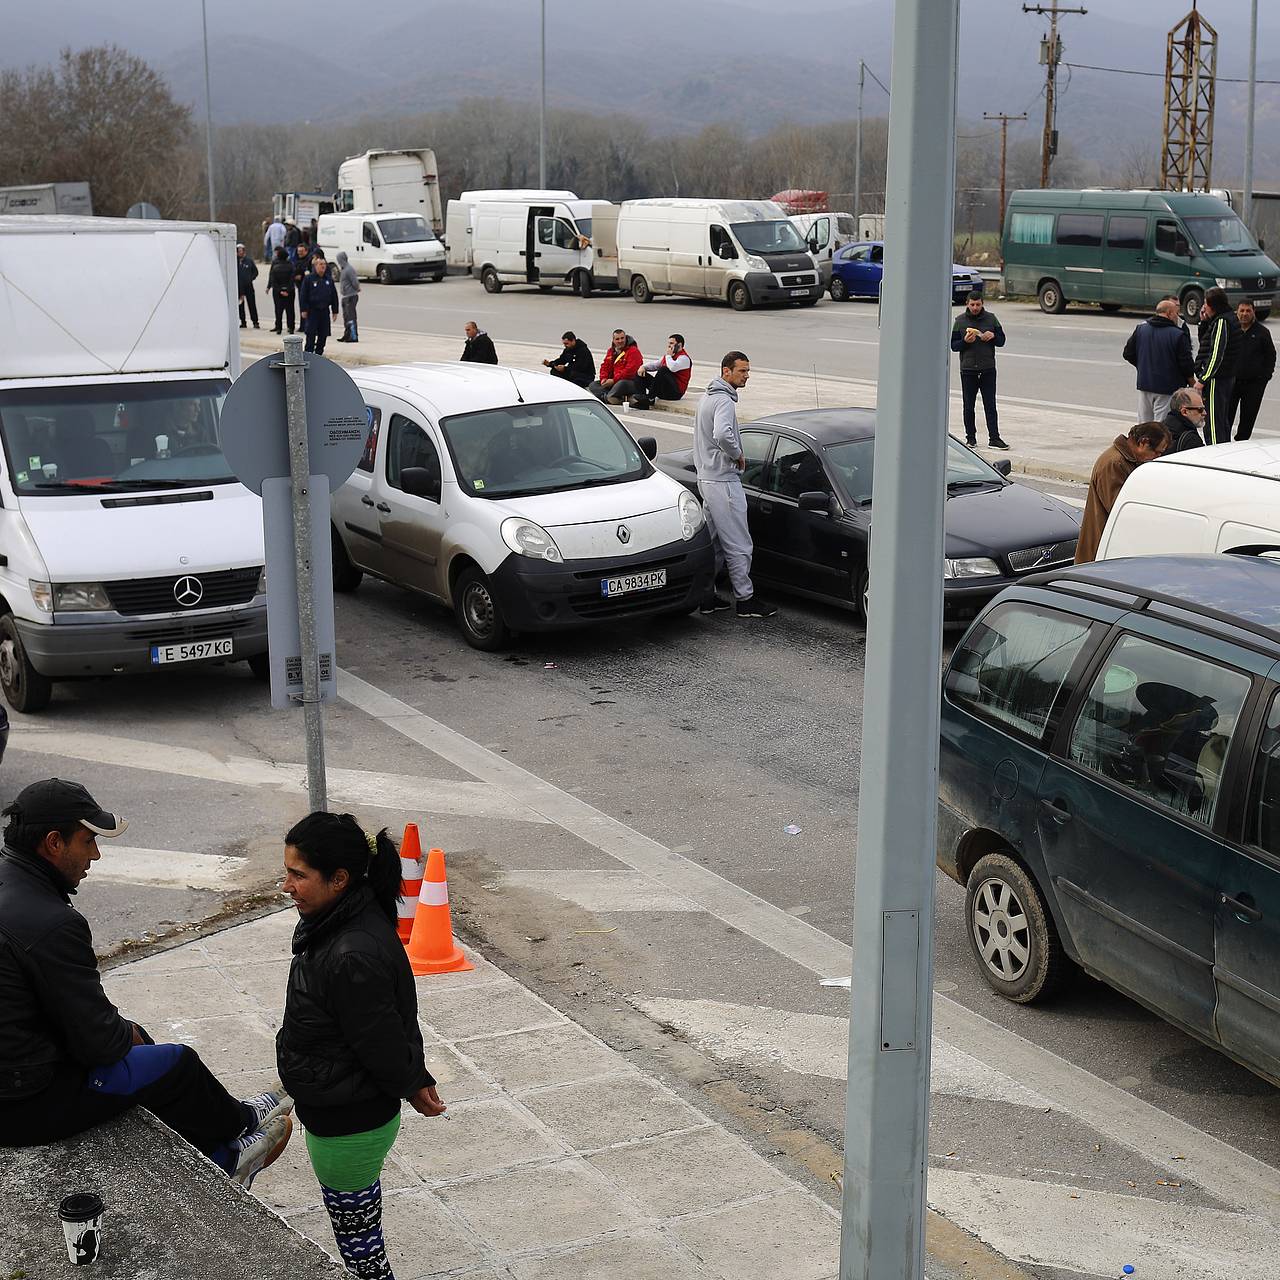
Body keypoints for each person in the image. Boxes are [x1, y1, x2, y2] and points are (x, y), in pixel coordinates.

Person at [0, 779, 293, 1184]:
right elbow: (99, 1043)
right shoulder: (51, 922)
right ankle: (232, 1144)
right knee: (176, 1063)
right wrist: (125, 1036)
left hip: (14, 1070)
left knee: (138, 1044)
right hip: (24, 1103)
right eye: (88, 841)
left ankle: (221, 1130)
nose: (96, 855)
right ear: (54, 843)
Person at [277, 812, 446, 1280]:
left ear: (339, 879)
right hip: (344, 1108)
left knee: (361, 1252)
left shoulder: (352, 950)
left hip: (347, 1123)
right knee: (361, 1229)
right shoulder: (349, 922)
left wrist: (413, 1080)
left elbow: (381, 1037)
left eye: (298, 875)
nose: (287, 885)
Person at [694, 352, 776, 619]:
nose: (746, 375)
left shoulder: (705, 397)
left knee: (714, 543)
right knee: (740, 543)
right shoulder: (724, 401)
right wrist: (737, 454)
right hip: (723, 481)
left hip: (706, 478)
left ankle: (706, 596)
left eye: (747, 371)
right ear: (726, 372)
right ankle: (746, 599)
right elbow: (721, 434)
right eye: (742, 371)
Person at [1075, 421, 1172, 563]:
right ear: (1143, 442)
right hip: (1102, 548)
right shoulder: (1115, 463)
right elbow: (1120, 509)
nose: (1157, 457)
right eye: (1156, 452)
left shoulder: (1127, 460)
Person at [951, 290, 1009, 450]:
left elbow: (1002, 341)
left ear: (982, 304)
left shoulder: (991, 319)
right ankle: (970, 438)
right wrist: (964, 341)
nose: (975, 307)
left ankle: (994, 438)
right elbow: (953, 346)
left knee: (990, 405)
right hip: (968, 370)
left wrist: (993, 337)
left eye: (978, 304)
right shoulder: (960, 321)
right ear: (967, 304)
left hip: (988, 369)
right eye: (972, 305)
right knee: (968, 406)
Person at [1122, 296, 1193, 422]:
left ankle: (1142, 442)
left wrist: (1143, 366)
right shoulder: (1178, 335)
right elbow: (1186, 364)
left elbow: (1128, 353)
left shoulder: (1141, 329)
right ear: (1169, 313)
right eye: (1176, 313)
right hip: (1168, 388)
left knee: (1144, 424)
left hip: (1145, 384)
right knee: (1162, 426)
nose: (1178, 317)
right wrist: (1191, 382)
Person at [1194, 286, 1241, 445]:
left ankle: (1214, 455)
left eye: (1206, 304)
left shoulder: (1222, 321)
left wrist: (1203, 379)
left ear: (1213, 305)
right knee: (1221, 421)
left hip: (1216, 380)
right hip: (1223, 378)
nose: (1204, 307)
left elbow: (1216, 354)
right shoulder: (1221, 319)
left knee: (1213, 423)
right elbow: (1206, 343)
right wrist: (1204, 321)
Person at [1229, 300, 1275, 441]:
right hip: (1232, 382)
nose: (1244, 314)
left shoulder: (1262, 332)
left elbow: (1271, 356)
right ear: (1237, 311)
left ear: (1253, 312)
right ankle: (1222, 442)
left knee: (1248, 418)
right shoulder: (1231, 329)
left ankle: (1241, 443)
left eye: (1248, 311)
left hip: (1254, 385)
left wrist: (1265, 377)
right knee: (1226, 416)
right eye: (1242, 310)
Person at [624, 334, 693, 409]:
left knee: (663, 370)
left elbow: (672, 367)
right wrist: (643, 367)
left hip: (675, 393)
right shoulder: (669, 356)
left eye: (671, 343)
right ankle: (642, 401)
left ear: (679, 345)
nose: (669, 346)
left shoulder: (684, 358)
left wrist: (668, 356)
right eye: (668, 343)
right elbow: (655, 365)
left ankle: (650, 398)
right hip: (663, 390)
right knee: (640, 372)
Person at [588, 329, 643, 402]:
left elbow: (629, 372)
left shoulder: (633, 351)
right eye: (617, 339)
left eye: (622, 338)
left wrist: (614, 380)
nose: (620, 341)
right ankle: (610, 397)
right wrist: (603, 379)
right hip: (614, 382)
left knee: (621, 384)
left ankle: (607, 397)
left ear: (625, 338)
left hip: (630, 382)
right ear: (613, 340)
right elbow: (605, 366)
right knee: (593, 385)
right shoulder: (611, 351)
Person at [300, 253, 339, 355]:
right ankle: (308, 353)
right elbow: (303, 294)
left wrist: (335, 311)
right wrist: (303, 309)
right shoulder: (309, 279)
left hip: (324, 311)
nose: (323, 266)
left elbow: (334, 295)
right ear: (315, 266)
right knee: (311, 334)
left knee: (323, 334)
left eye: (324, 264)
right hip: (312, 311)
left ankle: (319, 353)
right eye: (320, 264)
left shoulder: (328, 279)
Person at [1163, 386, 1206, 453]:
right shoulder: (1191, 440)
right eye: (1200, 409)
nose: (1204, 413)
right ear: (1184, 412)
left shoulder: (1162, 427)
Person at [268, 247, 296, 335]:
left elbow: (273, 281)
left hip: (277, 292)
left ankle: (279, 328)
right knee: (290, 310)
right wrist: (287, 290)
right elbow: (292, 279)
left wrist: (280, 290)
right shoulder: (291, 265)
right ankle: (291, 327)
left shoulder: (275, 267)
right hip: (290, 291)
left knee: (278, 310)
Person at [335, 251, 360, 343]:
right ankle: (347, 334)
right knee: (346, 317)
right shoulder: (343, 269)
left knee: (351, 317)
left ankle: (353, 336)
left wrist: (357, 288)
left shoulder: (349, 269)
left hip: (350, 296)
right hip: (345, 296)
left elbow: (355, 282)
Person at [235, 244, 260, 330]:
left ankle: (255, 322)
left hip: (248, 286)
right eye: (237, 251)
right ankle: (243, 322)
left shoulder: (249, 261)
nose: (239, 253)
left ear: (244, 251)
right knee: (240, 305)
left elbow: (255, 272)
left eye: (240, 251)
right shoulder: (235, 262)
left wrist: (250, 278)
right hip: (239, 287)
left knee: (252, 304)